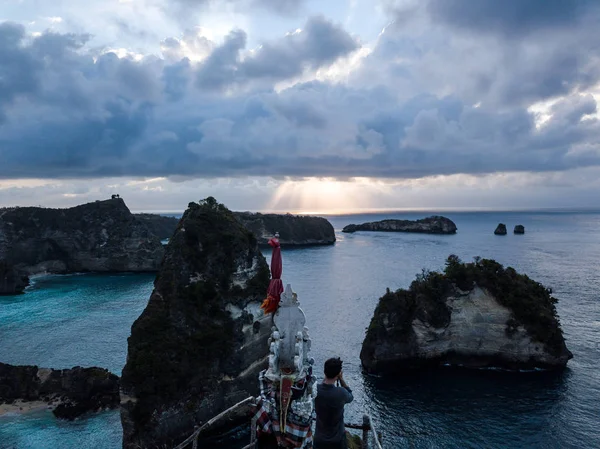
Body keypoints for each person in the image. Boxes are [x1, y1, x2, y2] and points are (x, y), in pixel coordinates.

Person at [314, 357, 353, 449]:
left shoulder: (315, 390)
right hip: (337, 440)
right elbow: (350, 396)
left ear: (324, 372)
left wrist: (327, 377)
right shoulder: (341, 393)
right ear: (338, 373)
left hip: (319, 439)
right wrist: (341, 379)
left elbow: (322, 386)